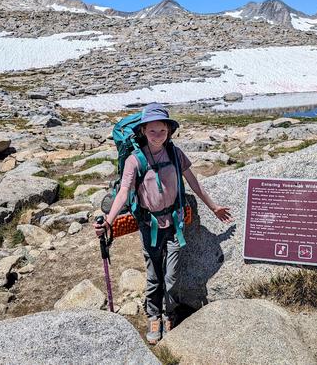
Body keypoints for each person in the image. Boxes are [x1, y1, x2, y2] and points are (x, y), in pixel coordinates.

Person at [94, 103, 233, 344]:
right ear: (143, 131)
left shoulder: (176, 154)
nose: (158, 136)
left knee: (172, 275)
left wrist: (214, 207)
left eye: (162, 131)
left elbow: (194, 183)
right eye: (152, 131)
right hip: (150, 227)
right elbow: (124, 191)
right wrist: (108, 221)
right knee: (153, 275)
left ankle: (169, 313)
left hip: (175, 224)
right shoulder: (135, 160)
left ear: (169, 131)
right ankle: (153, 316)